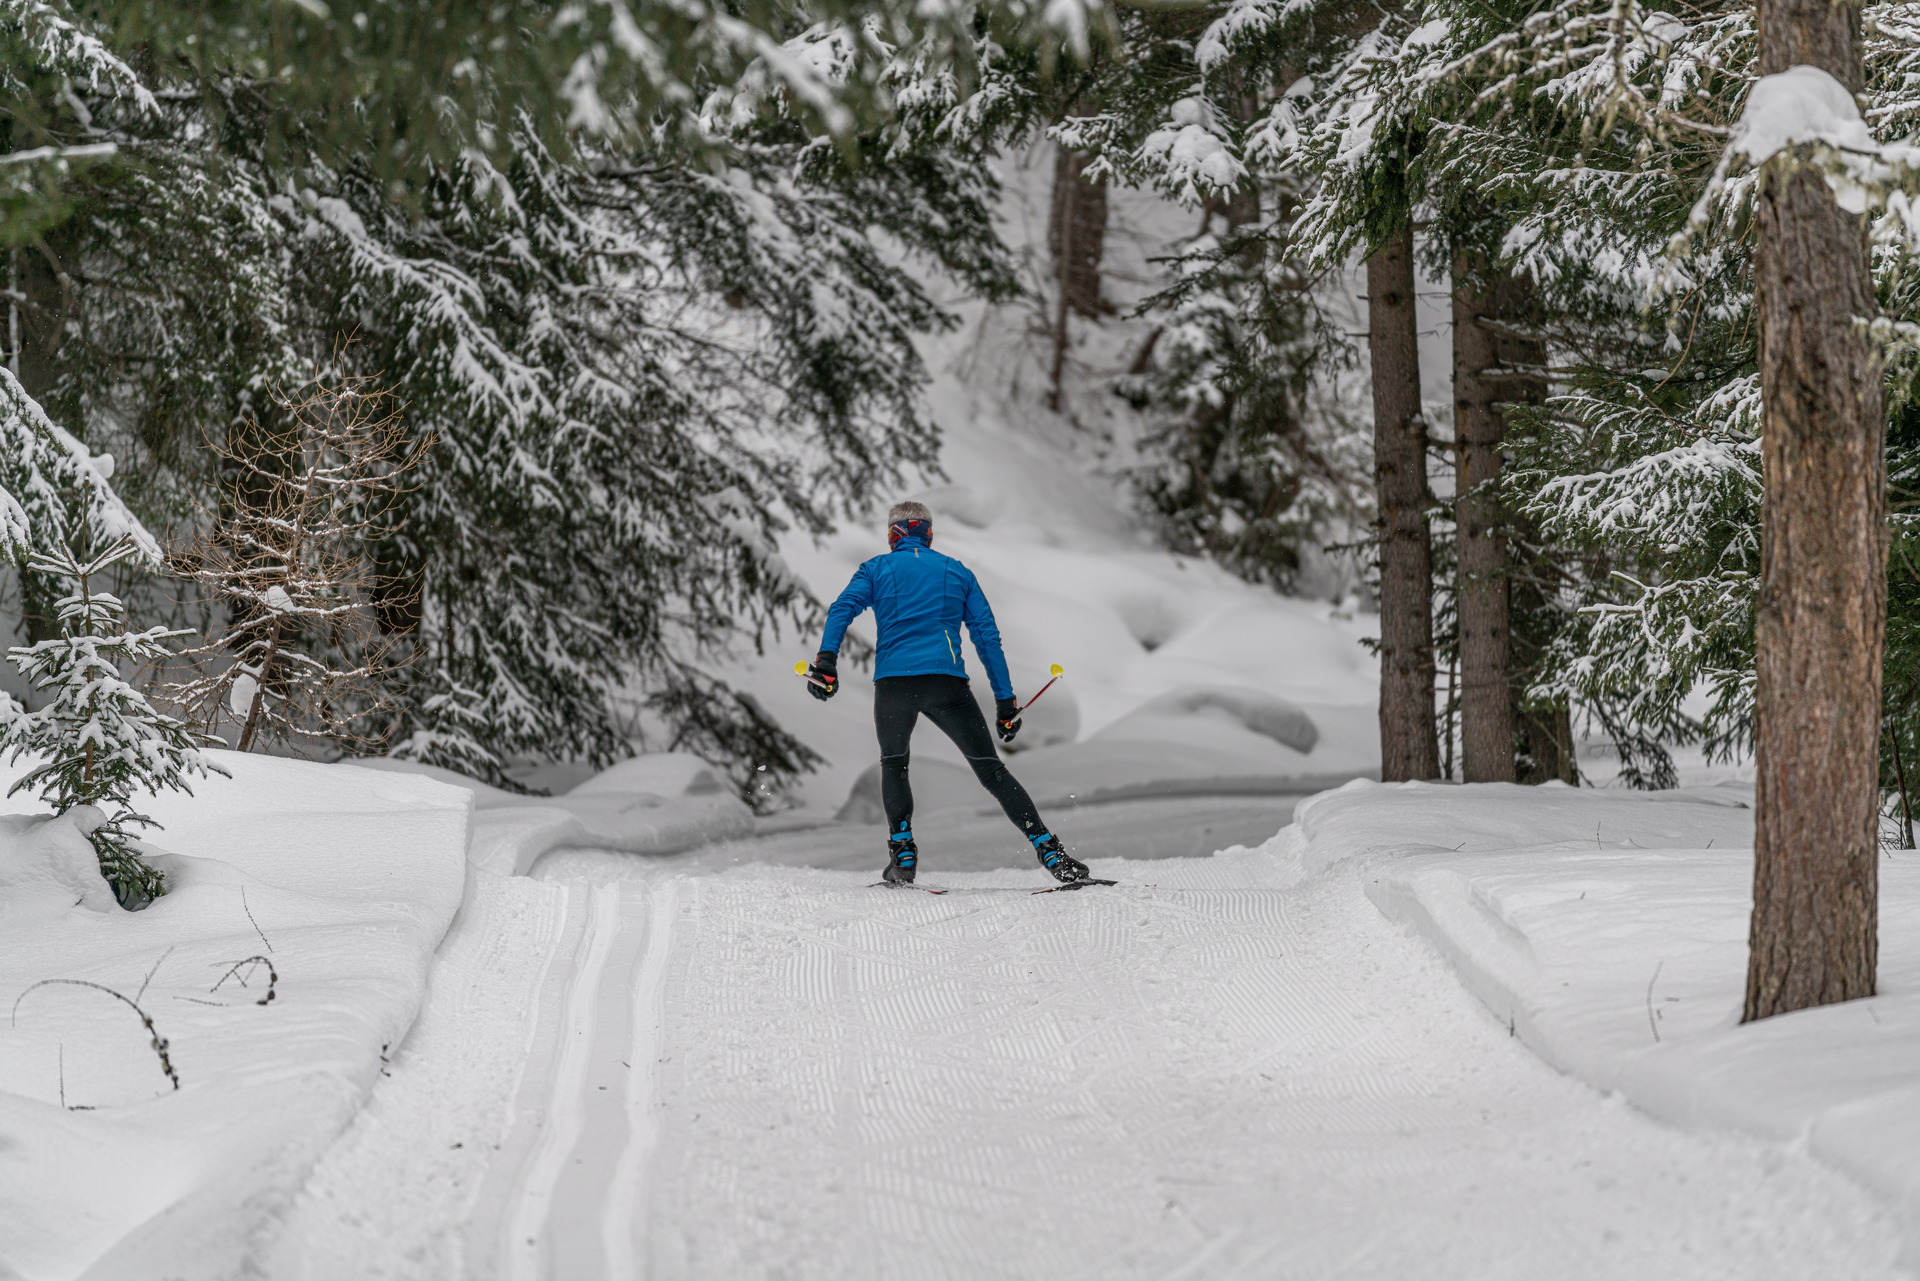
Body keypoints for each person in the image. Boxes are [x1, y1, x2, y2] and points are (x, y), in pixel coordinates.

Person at [806, 501, 1090, 886]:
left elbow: (841, 610)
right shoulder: (957, 572)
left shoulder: (875, 569)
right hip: (947, 685)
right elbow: (987, 639)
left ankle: (903, 854)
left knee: (895, 764)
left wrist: (826, 662)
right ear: (929, 533)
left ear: (893, 535)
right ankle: (1051, 852)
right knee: (992, 771)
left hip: (894, 685)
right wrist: (1005, 702)